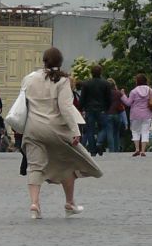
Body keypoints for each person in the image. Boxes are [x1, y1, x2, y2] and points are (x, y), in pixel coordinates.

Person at [18, 46, 101, 218]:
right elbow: (66, 107)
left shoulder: (29, 79)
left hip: (33, 128)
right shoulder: (62, 81)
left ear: (43, 60)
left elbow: (22, 104)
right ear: (60, 62)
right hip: (56, 129)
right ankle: (69, 203)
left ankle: (34, 204)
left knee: (35, 166)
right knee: (69, 163)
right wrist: (75, 130)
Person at [79, 64, 111, 156]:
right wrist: (107, 108)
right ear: (101, 72)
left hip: (89, 109)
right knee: (104, 127)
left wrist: (81, 109)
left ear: (91, 73)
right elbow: (108, 98)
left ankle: (93, 150)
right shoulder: (105, 84)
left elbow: (82, 98)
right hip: (102, 109)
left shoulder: (86, 84)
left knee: (90, 130)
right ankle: (99, 143)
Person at [126, 74, 152, 158]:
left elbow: (128, 103)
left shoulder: (134, 91)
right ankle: (143, 151)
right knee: (145, 132)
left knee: (135, 131)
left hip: (135, 114)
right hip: (147, 114)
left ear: (137, 81)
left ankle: (137, 149)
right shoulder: (150, 91)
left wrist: (122, 96)